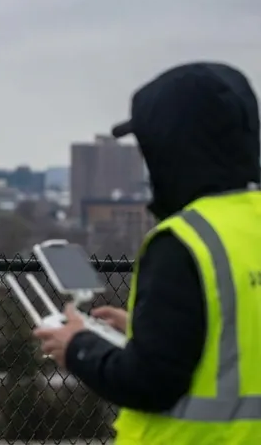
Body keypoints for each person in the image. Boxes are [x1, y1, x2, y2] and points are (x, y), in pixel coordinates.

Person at [33, 61, 261, 444]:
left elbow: (150, 383)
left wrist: (78, 347)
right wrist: (151, 330)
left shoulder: (185, 241)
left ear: (170, 149)